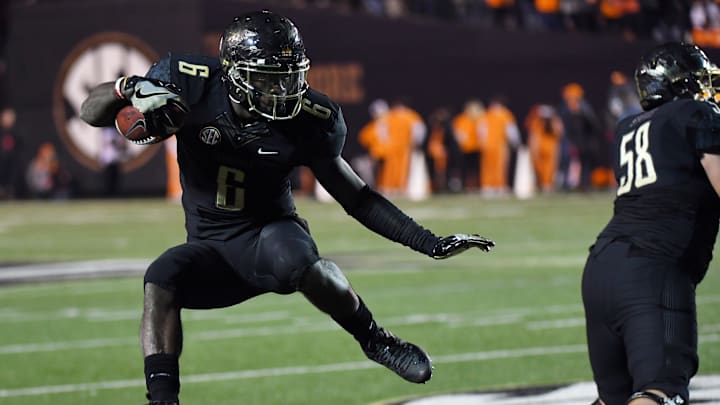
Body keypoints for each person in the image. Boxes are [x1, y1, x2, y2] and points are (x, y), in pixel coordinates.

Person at [79, 10, 495, 405]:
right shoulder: (190, 83)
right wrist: (127, 88)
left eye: (288, 78)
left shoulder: (311, 117)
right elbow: (91, 112)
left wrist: (429, 243)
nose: (282, 91)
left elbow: (356, 197)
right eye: (268, 80)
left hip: (269, 236)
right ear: (235, 75)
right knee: (161, 278)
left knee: (300, 260)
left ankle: (375, 339)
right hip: (211, 246)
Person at [582, 42, 720, 405]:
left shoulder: (628, 127)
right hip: (653, 270)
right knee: (663, 393)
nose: (706, 89)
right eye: (698, 80)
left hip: (601, 267)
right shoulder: (696, 114)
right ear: (677, 84)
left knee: (615, 399)